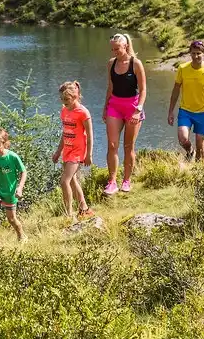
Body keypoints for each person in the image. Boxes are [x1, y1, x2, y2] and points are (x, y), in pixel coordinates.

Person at [101, 33, 147, 194]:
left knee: (128, 147)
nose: (115, 52)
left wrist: (138, 110)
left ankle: (126, 181)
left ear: (125, 46)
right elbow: (110, 87)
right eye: (112, 49)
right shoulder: (111, 64)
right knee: (112, 145)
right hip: (115, 105)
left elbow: (143, 90)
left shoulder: (136, 64)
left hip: (132, 107)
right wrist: (105, 107)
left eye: (117, 49)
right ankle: (112, 181)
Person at [167, 40, 204, 162]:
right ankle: (190, 151)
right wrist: (171, 111)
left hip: (203, 112)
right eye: (193, 53)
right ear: (189, 53)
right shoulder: (182, 68)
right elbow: (175, 90)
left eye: (198, 53)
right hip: (185, 111)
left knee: (201, 147)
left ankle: (198, 173)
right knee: (182, 138)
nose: (196, 56)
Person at [52, 81, 96, 222]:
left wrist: (88, 155)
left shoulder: (83, 112)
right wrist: (58, 151)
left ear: (75, 96)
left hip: (78, 151)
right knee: (72, 181)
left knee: (64, 181)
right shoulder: (65, 110)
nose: (64, 103)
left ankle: (69, 214)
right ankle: (84, 209)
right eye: (62, 100)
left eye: (67, 100)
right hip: (67, 150)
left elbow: (89, 135)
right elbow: (65, 133)